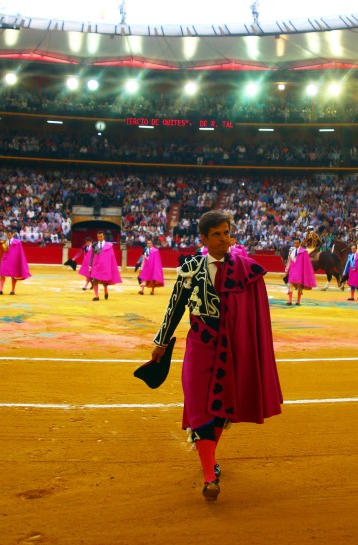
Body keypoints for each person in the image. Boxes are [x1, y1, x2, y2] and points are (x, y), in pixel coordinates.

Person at [149, 210, 282, 502]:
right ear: (204, 239)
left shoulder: (246, 269)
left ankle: (210, 462)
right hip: (200, 344)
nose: (224, 239)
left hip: (231, 347)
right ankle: (210, 476)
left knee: (221, 407)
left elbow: (254, 314)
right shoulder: (191, 268)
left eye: (227, 232)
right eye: (218, 234)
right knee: (198, 405)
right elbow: (175, 308)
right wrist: (160, 343)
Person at [86, 231, 121, 300]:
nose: (99, 238)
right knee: (95, 279)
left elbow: (111, 257)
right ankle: (96, 296)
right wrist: (90, 266)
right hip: (96, 265)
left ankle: (105, 290)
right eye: (98, 236)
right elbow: (92, 256)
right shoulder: (95, 245)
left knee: (104, 281)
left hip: (105, 266)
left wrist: (112, 267)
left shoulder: (109, 245)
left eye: (101, 236)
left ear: (104, 236)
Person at [284, 237, 316, 306]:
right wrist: (286, 269)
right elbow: (289, 261)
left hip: (299, 271)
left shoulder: (303, 251)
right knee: (290, 284)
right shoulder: (292, 251)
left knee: (299, 286)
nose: (296, 244)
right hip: (292, 270)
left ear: (300, 243)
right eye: (295, 243)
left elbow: (306, 263)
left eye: (297, 243)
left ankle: (298, 301)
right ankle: (290, 300)